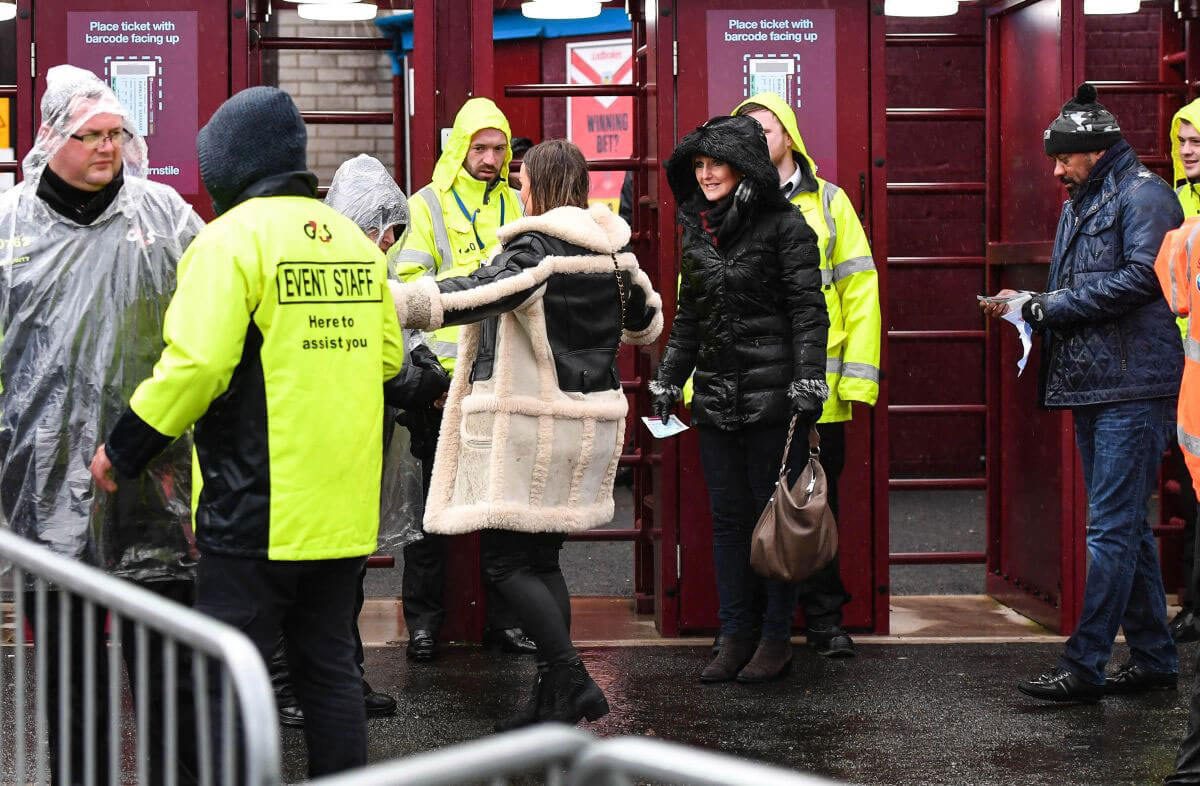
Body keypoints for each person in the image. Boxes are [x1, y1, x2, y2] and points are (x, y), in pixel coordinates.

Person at [89, 86, 407, 777]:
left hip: (259, 506)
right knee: (330, 672)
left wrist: (126, 447)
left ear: (226, 166)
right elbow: (387, 357)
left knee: (224, 677)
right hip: (344, 509)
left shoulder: (229, 242)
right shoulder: (351, 241)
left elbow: (198, 364)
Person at [390, 138, 662, 729]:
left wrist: (391, 302)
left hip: (531, 434)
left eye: (523, 181)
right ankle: (552, 706)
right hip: (586, 428)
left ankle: (572, 676)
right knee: (543, 561)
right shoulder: (617, 255)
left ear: (534, 188)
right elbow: (645, 324)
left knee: (505, 566)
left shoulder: (537, 251)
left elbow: (477, 295)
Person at [0, 65, 202, 785]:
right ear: (52, 137)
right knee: (68, 672)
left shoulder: (167, 218)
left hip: (152, 478)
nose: (108, 148)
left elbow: (208, 332)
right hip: (44, 488)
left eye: (118, 133)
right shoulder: (9, 227)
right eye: (91, 135)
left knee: (169, 670)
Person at [981, 83, 1183, 703]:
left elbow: (1140, 280)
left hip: (1134, 385)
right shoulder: (1086, 197)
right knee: (1123, 528)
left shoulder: (1146, 196)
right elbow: (1081, 283)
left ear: (1094, 151)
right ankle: (1152, 657)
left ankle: (1085, 663)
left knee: (1110, 528)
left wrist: (1045, 306)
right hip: (1100, 383)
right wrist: (1031, 304)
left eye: (1064, 157)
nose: (1056, 169)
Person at [267, 153, 449, 729]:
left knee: (343, 577)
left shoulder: (364, 275)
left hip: (350, 447)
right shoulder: (332, 277)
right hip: (313, 449)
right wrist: (429, 379)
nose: (391, 241)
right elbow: (389, 367)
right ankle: (287, 688)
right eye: (385, 229)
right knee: (301, 578)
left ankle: (338, 680)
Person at [649, 115, 828, 684]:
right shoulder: (699, 231)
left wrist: (806, 382)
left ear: (744, 166)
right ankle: (735, 636)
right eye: (698, 165)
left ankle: (776, 639)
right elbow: (691, 319)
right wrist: (669, 379)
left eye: (714, 164)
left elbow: (808, 311)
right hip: (719, 398)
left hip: (773, 401)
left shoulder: (787, 227)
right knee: (727, 523)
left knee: (770, 520)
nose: (704, 175)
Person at [733, 92, 880, 658]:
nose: (754, 144)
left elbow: (860, 291)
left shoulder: (831, 203)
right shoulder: (729, 199)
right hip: (756, 382)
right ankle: (759, 625)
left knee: (815, 506)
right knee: (755, 505)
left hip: (821, 386)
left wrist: (857, 379)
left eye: (764, 132)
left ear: (788, 136)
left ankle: (822, 620)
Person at [391, 97, 535, 661]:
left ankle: (504, 624)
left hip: (502, 378)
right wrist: (429, 368)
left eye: (500, 148)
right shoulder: (424, 205)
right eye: (481, 148)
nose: (492, 158)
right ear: (460, 148)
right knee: (432, 513)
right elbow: (407, 282)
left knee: (503, 510)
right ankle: (424, 624)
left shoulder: (517, 202)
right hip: (443, 382)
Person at [1167, 99, 1200, 645]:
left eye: (1197, 142)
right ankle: (1194, 604)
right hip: (1186, 379)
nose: (1187, 150)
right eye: (1184, 142)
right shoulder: (1177, 205)